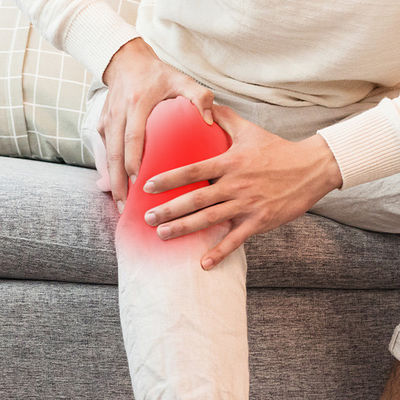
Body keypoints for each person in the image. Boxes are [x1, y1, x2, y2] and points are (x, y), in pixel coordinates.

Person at [14, 0, 400, 398]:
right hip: (180, 95)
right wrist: (123, 57)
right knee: (174, 145)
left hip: (359, 121)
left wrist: (322, 161)